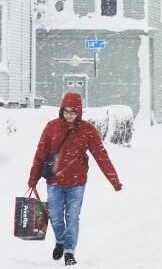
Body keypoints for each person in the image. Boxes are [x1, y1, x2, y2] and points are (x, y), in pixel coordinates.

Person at [28, 92, 122, 266]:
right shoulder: (52, 127)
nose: (69, 115)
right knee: (55, 217)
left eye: (73, 112)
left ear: (79, 112)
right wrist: (33, 177)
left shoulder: (87, 130)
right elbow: (40, 154)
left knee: (72, 218)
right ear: (61, 110)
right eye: (66, 111)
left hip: (77, 183)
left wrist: (114, 180)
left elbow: (101, 156)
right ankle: (61, 241)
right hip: (55, 181)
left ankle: (69, 252)